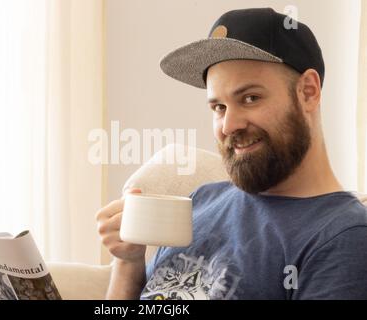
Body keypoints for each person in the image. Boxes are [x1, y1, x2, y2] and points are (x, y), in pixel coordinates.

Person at [95, 7, 367, 300]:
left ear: (308, 92)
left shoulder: (344, 236)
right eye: (218, 107)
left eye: (250, 98)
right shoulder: (199, 201)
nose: (229, 125)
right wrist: (128, 262)